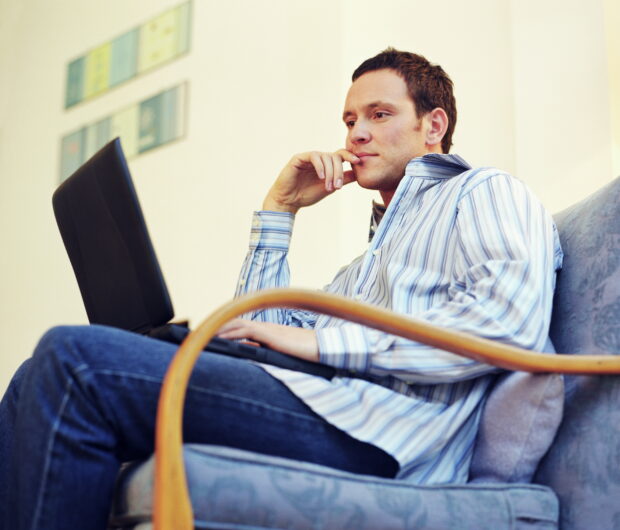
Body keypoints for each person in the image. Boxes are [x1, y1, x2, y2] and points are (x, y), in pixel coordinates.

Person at [0, 48, 562, 530]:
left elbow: (506, 321)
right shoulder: (361, 270)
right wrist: (281, 211)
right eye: (348, 120)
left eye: (379, 113)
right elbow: (256, 334)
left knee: (73, 359)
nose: (356, 133)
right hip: (331, 407)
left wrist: (321, 346)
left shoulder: (484, 190)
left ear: (433, 126)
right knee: (34, 376)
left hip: (386, 437)